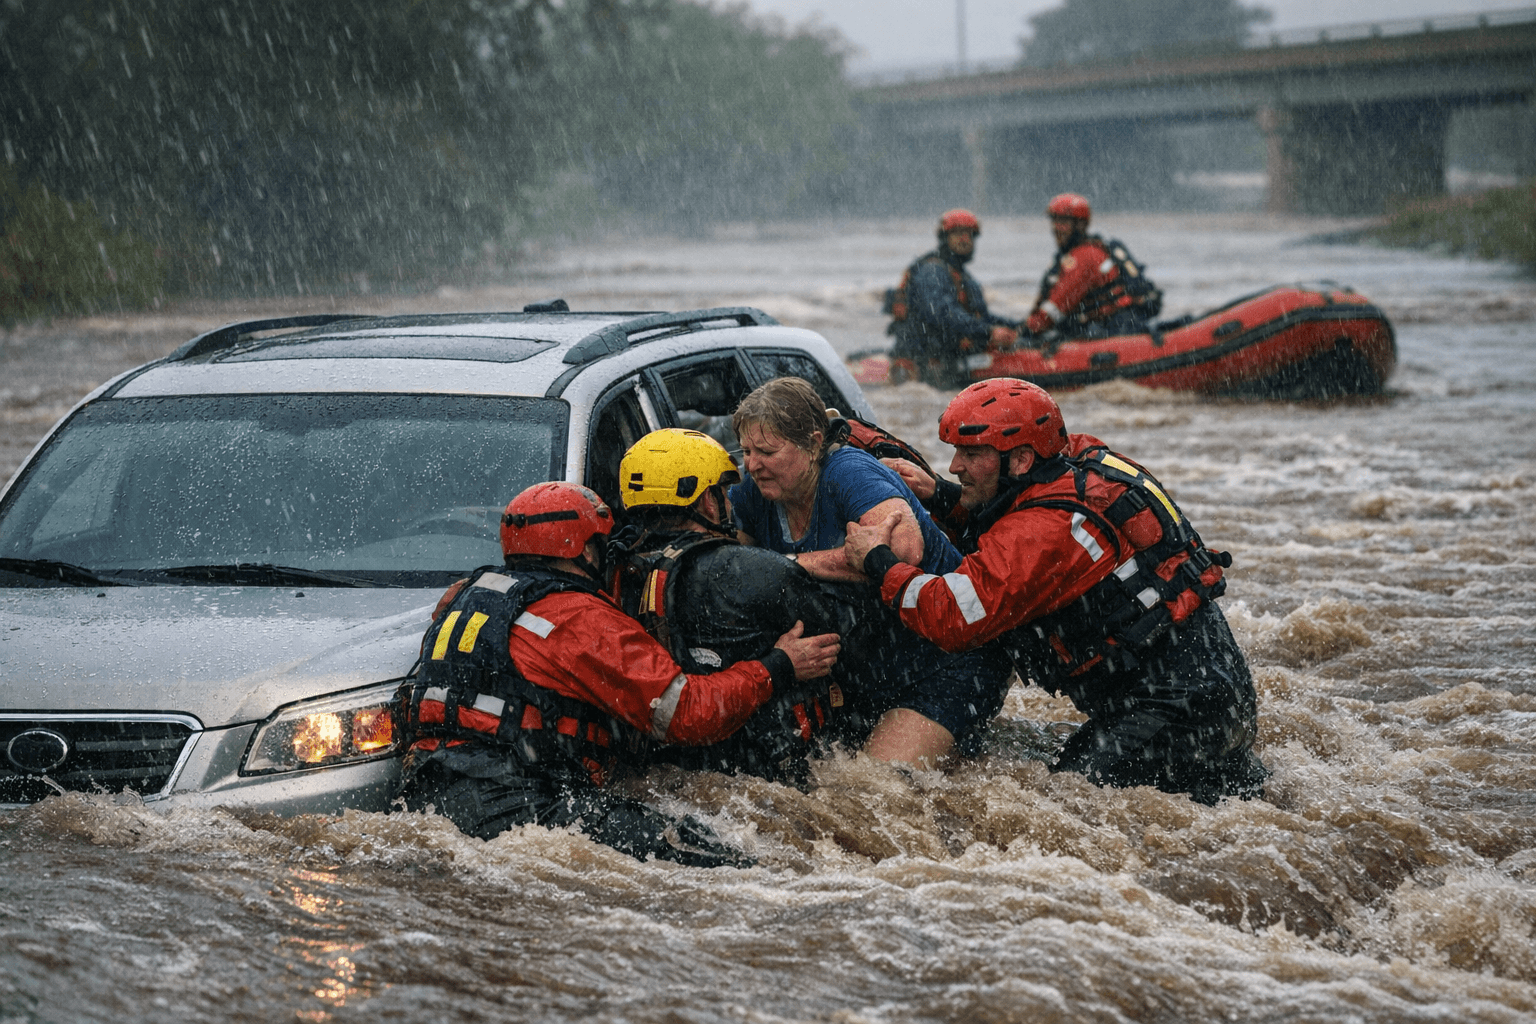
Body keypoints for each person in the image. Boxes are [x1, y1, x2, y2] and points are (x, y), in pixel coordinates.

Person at [843, 378, 1268, 805]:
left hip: (1176, 705)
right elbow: (1017, 514)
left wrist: (879, 561)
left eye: (971, 455)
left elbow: (951, 616)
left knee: (1068, 804)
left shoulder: (1045, 531)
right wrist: (942, 495)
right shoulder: (1077, 457)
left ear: (1023, 458)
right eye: (955, 452)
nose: (955, 466)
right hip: (1212, 685)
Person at [396, 481, 840, 866]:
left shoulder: (462, 596)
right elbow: (685, 714)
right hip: (518, 806)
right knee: (727, 861)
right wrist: (777, 667)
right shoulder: (578, 620)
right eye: (605, 546)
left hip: (426, 796)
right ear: (586, 550)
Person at [729, 376, 1016, 767]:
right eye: (746, 451)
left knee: (875, 784)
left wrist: (786, 565)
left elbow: (902, 552)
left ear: (813, 443)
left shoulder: (848, 472)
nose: (752, 464)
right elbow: (735, 574)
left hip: (946, 662)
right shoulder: (752, 495)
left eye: (766, 451)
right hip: (863, 675)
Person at [612, 427, 855, 787]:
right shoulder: (754, 571)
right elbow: (843, 639)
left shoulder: (613, 571)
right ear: (708, 501)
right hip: (765, 772)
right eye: (723, 492)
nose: (729, 502)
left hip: (669, 769)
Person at [886, 208, 1019, 387]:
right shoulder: (932, 272)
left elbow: (980, 316)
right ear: (944, 238)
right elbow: (942, 313)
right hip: (925, 359)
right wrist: (989, 333)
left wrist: (1017, 327)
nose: (964, 240)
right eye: (957, 234)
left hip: (950, 355)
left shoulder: (965, 278)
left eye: (969, 235)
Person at [1024, 193, 1162, 341]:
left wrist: (1023, 332)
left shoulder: (1085, 257)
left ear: (1080, 224)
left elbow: (1055, 308)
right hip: (1115, 326)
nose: (1055, 228)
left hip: (1113, 329)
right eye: (1054, 221)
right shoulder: (1079, 254)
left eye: (1062, 221)